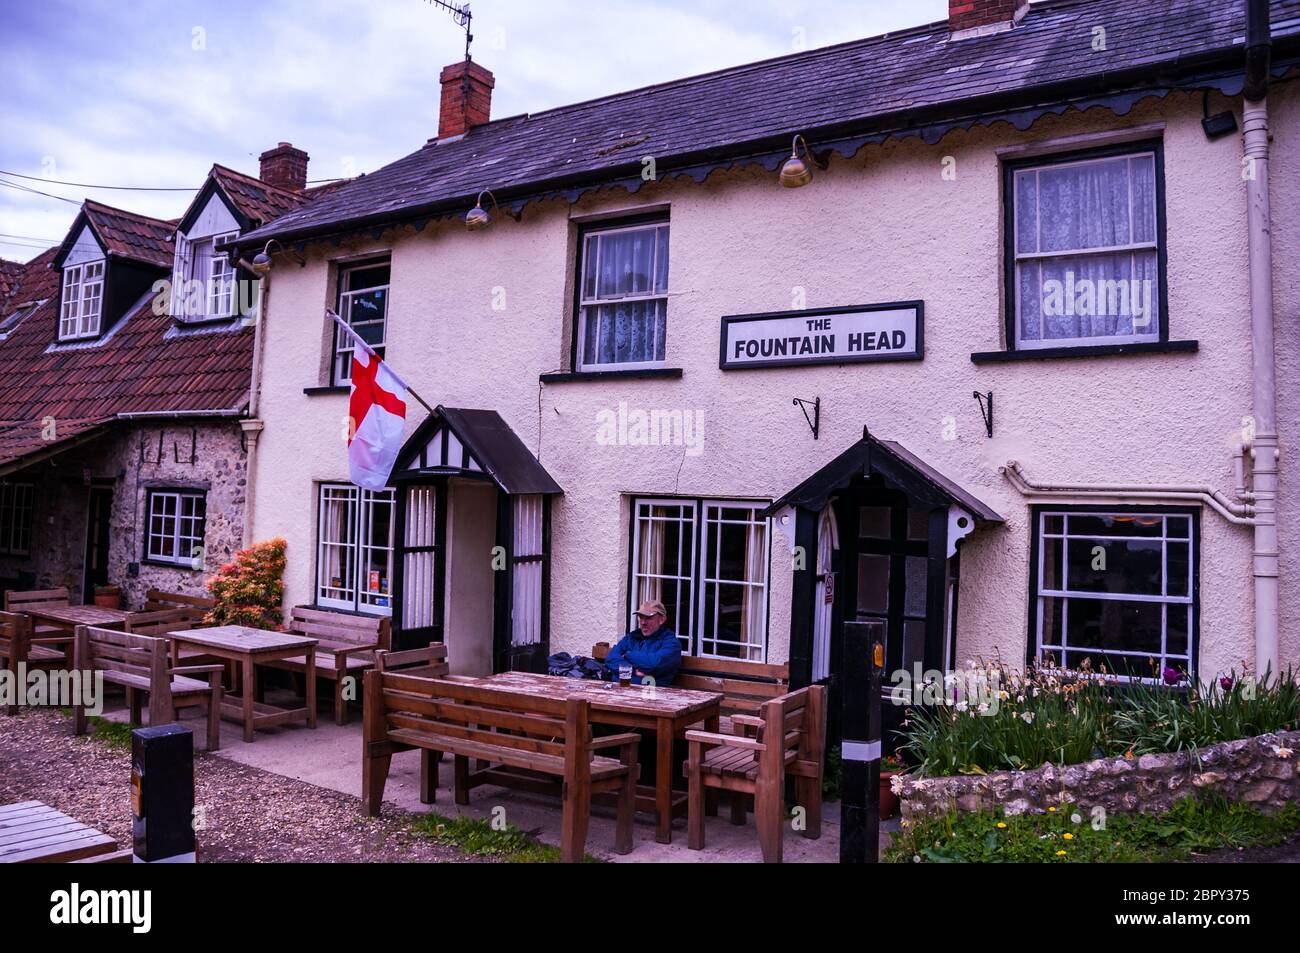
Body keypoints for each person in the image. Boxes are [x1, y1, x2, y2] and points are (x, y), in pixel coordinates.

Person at [604, 600, 682, 686]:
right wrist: (634, 670)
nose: (643, 622)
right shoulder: (632, 637)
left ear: (662, 619)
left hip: (651, 694)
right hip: (620, 690)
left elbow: (654, 665)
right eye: (641, 617)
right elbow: (610, 659)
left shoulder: (671, 643)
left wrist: (627, 655)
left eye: (648, 618)